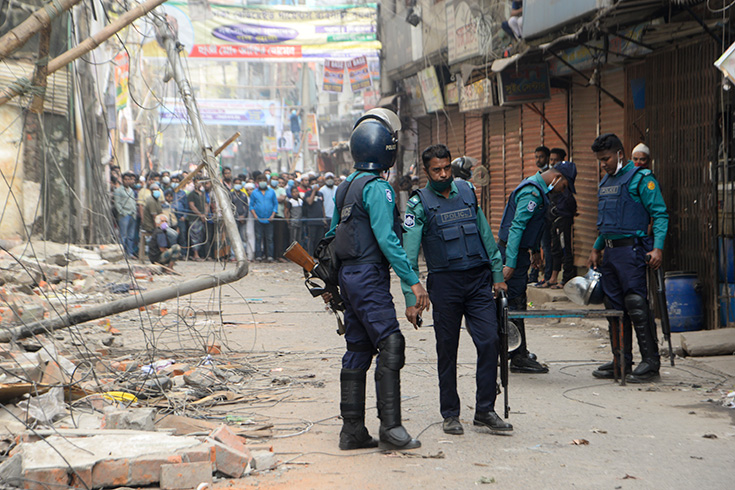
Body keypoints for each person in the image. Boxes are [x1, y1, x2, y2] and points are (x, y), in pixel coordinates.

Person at [326, 108, 430, 451]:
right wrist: (413, 281)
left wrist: (331, 284)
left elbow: (330, 235)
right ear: (386, 148)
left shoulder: (345, 187)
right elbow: (388, 240)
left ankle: (351, 430)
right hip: (369, 275)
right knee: (391, 342)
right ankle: (391, 428)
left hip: (347, 277)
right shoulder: (379, 188)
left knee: (357, 348)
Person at [401, 144, 512, 436]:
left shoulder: (466, 192)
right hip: (445, 285)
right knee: (447, 350)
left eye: (447, 167)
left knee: (489, 341)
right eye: (436, 170)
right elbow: (408, 256)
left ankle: (485, 410)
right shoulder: (418, 204)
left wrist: (497, 273)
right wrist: (411, 296)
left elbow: (486, 235)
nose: (443, 174)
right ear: (426, 172)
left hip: (477, 281)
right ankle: (450, 413)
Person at [587, 133, 668, 383]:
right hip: (610, 253)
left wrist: (658, 248)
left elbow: (660, 214)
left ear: (620, 154)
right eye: (600, 160)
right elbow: (608, 222)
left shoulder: (641, 178)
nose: (604, 164)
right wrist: (596, 247)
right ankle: (620, 360)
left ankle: (650, 363)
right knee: (613, 308)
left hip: (632, 251)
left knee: (635, 304)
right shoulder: (606, 182)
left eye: (607, 158)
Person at [498, 160, 578, 374]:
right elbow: (517, 227)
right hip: (512, 253)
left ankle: (516, 350)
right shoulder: (532, 193)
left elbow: (533, 225)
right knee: (513, 303)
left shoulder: (538, 190)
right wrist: (510, 264)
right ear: (557, 178)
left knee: (517, 302)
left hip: (520, 253)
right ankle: (517, 356)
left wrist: (533, 252)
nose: (562, 192)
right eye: (564, 187)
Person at [546, 148, 577, 288]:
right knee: (555, 249)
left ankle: (566, 279)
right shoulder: (552, 190)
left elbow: (570, 209)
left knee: (565, 249)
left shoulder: (566, 195)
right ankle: (553, 278)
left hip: (563, 223)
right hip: (554, 223)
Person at [529, 146, 554, 287]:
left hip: (546, 217)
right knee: (536, 245)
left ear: (547, 158)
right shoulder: (539, 175)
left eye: (541, 157)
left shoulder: (549, 176)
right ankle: (534, 275)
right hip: (539, 217)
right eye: (536, 157)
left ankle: (548, 276)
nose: (538, 160)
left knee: (546, 246)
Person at [250, 174, 278, 261]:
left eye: (264, 181)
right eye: (260, 181)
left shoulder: (271, 192)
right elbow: (251, 206)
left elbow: (275, 204)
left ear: (267, 182)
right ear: (258, 182)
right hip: (258, 219)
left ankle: (270, 256)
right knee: (258, 238)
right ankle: (258, 256)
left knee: (269, 238)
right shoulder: (254, 193)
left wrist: (273, 215)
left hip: (269, 219)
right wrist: (255, 216)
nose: (262, 183)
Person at [114, 172, 137, 258]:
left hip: (132, 214)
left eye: (129, 179)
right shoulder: (118, 190)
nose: (127, 181)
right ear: (122, 180)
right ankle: (121, 254)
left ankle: (129, 253)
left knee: (131, 236)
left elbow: (133, 201)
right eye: (126, 179)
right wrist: (122, 212)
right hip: (124, 215)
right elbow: (117, 203)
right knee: (123, 235)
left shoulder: (131, 191)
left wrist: (134, 211)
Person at [302, 175, 326, 255]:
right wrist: (313, 191)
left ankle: (317, 255)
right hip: (312, 221)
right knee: (311, 239)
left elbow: (322, 206)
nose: (315, 185)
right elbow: (309, 202)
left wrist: (324, 218)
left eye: (316, 183)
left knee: (319, 239)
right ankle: (310, 255)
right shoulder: (307, 194)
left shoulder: (321, 194)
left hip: (320, 220)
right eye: (313, 184)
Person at [187, 178, 208, 261]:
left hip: (203, 218)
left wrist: (205, 215)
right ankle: (195, 255)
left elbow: (206, 204)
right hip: (194, 218)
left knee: (201, 236)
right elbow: (192, 206)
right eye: (197, 182)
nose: (198, 184)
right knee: (194, 236)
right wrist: (200, 215)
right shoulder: (191, 194)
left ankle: (201, 254)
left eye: (200, 182)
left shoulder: (203, 194)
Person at [231, 177, 250, 257]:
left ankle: (243, 254)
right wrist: (237, 216)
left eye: (239, 183)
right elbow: (230, 207)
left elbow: (246, 207)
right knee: (234, 237)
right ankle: (233, 255)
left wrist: (244, 216)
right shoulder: (230, 195)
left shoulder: (243, 195)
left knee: (243, 237)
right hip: (234, 219)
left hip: (243, 219)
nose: (237, 185)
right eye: (236, 183)